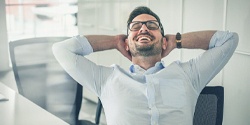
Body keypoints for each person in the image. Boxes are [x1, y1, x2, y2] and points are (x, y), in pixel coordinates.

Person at [53, 6, 238, 125]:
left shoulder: (189, 75)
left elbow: (229, 40)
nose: (143, 29)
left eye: (152, 25)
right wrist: (114, 41)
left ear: (164, 41)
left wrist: (177, 40)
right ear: (126, 43)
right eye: (135, 27)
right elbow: (62, 50)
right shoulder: (107, 79)